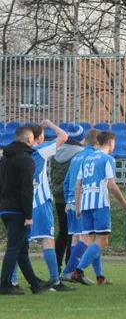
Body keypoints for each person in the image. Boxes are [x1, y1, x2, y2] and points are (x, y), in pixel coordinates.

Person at [72, 131, 126, 284]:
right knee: (103, 241)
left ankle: (100, 276)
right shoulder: (107, 159)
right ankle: (78, 271)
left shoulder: (85, 160)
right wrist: (124, 202)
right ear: (111, 143)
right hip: (99, 203)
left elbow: (78, 185)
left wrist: (78, 206)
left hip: (85, 203)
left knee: (94, 241)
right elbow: (112, 185)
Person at [0, 125, 54, 295]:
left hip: (5, 208)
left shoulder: (4, 158)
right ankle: (4, 285)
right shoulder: (26, 159)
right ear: (29, 140)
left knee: (22, 248)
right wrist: (28, 216)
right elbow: (26, 189)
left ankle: (35, 284)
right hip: (17, 210)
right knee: (14, 248)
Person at [23, 121, 70, 290]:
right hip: (40, 202)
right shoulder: (40, 151)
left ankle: (10, 281)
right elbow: (64, 136)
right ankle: (55, 280)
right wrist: (49, 124)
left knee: (18, 245)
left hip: (22, 203)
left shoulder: (19, 154)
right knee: (48, 240)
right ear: (39, 137)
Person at [60, 129, 98, 280]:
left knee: (77, 238)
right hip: (82, 202)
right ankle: (69, 271)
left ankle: (74, 272)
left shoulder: (76, 157)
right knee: (87, 239)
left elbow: (65, 182)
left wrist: (67, 199)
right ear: (97, 143)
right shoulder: (93, 157)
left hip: (70, 201)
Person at [49, 125, 85, 268]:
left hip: (58, 196)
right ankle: (71, 266)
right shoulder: (80, 153)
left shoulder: (55, 152)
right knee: (74, 232)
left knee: (63, 231)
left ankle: (56, 264)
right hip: (72, 196)